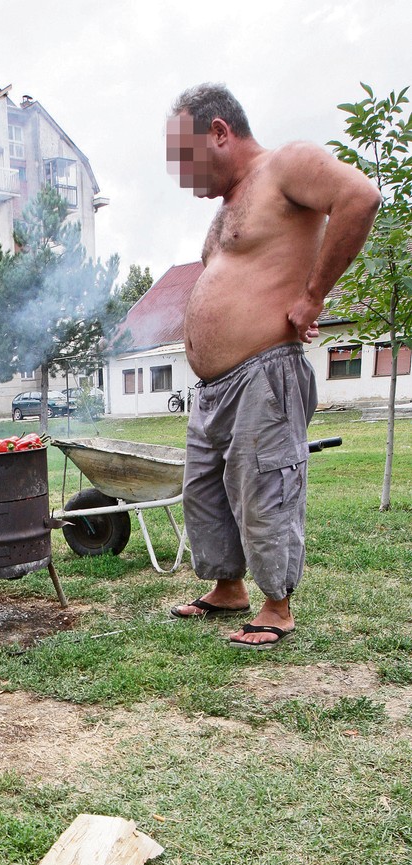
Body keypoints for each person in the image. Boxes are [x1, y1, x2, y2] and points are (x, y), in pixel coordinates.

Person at [166, 84, 379, 647]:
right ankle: (228, 587)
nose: (182, 175)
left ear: (219, 132)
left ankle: (277, 605)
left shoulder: (287, 164)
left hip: (264, 371)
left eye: (184, 157)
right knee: (206, 489)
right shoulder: (226, 209)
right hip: (213, 387)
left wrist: (312, 298)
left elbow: (359, 197)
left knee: (265, 484)